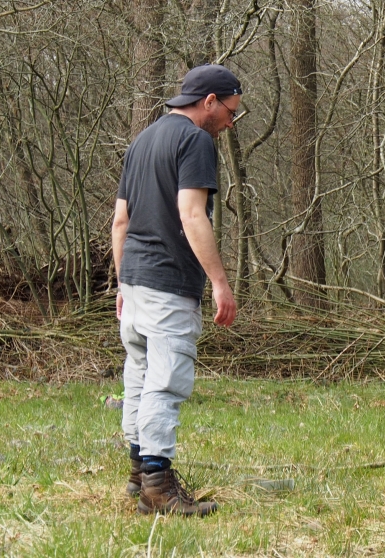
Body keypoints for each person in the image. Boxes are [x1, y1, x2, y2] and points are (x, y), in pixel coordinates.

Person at [112, 64, 240, 516]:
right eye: (229, 112)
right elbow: (192, 216)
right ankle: (158, 487)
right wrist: (221, 283)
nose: (229, 123)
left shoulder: (142, 141)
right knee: (165, 384)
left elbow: (121, 221)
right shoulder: (195, 141)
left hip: (136, 280)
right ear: (209, 101)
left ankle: (136, 474)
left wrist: (122, 280)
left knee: (139, 378)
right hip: (168, 284)